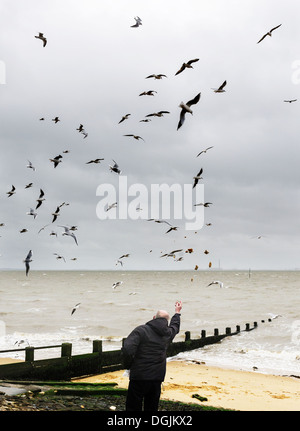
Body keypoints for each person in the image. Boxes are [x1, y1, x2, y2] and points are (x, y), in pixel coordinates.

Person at [121, 300, 182, 411]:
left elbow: (127, 349)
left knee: (133, 407)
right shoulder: (167, 334)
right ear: (166, 321)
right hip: (156, 378)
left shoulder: (141, 330)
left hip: (139, 377)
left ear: (154, 317)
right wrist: (177, 313)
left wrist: (128, 365)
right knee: (151, 407)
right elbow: (175, 327)